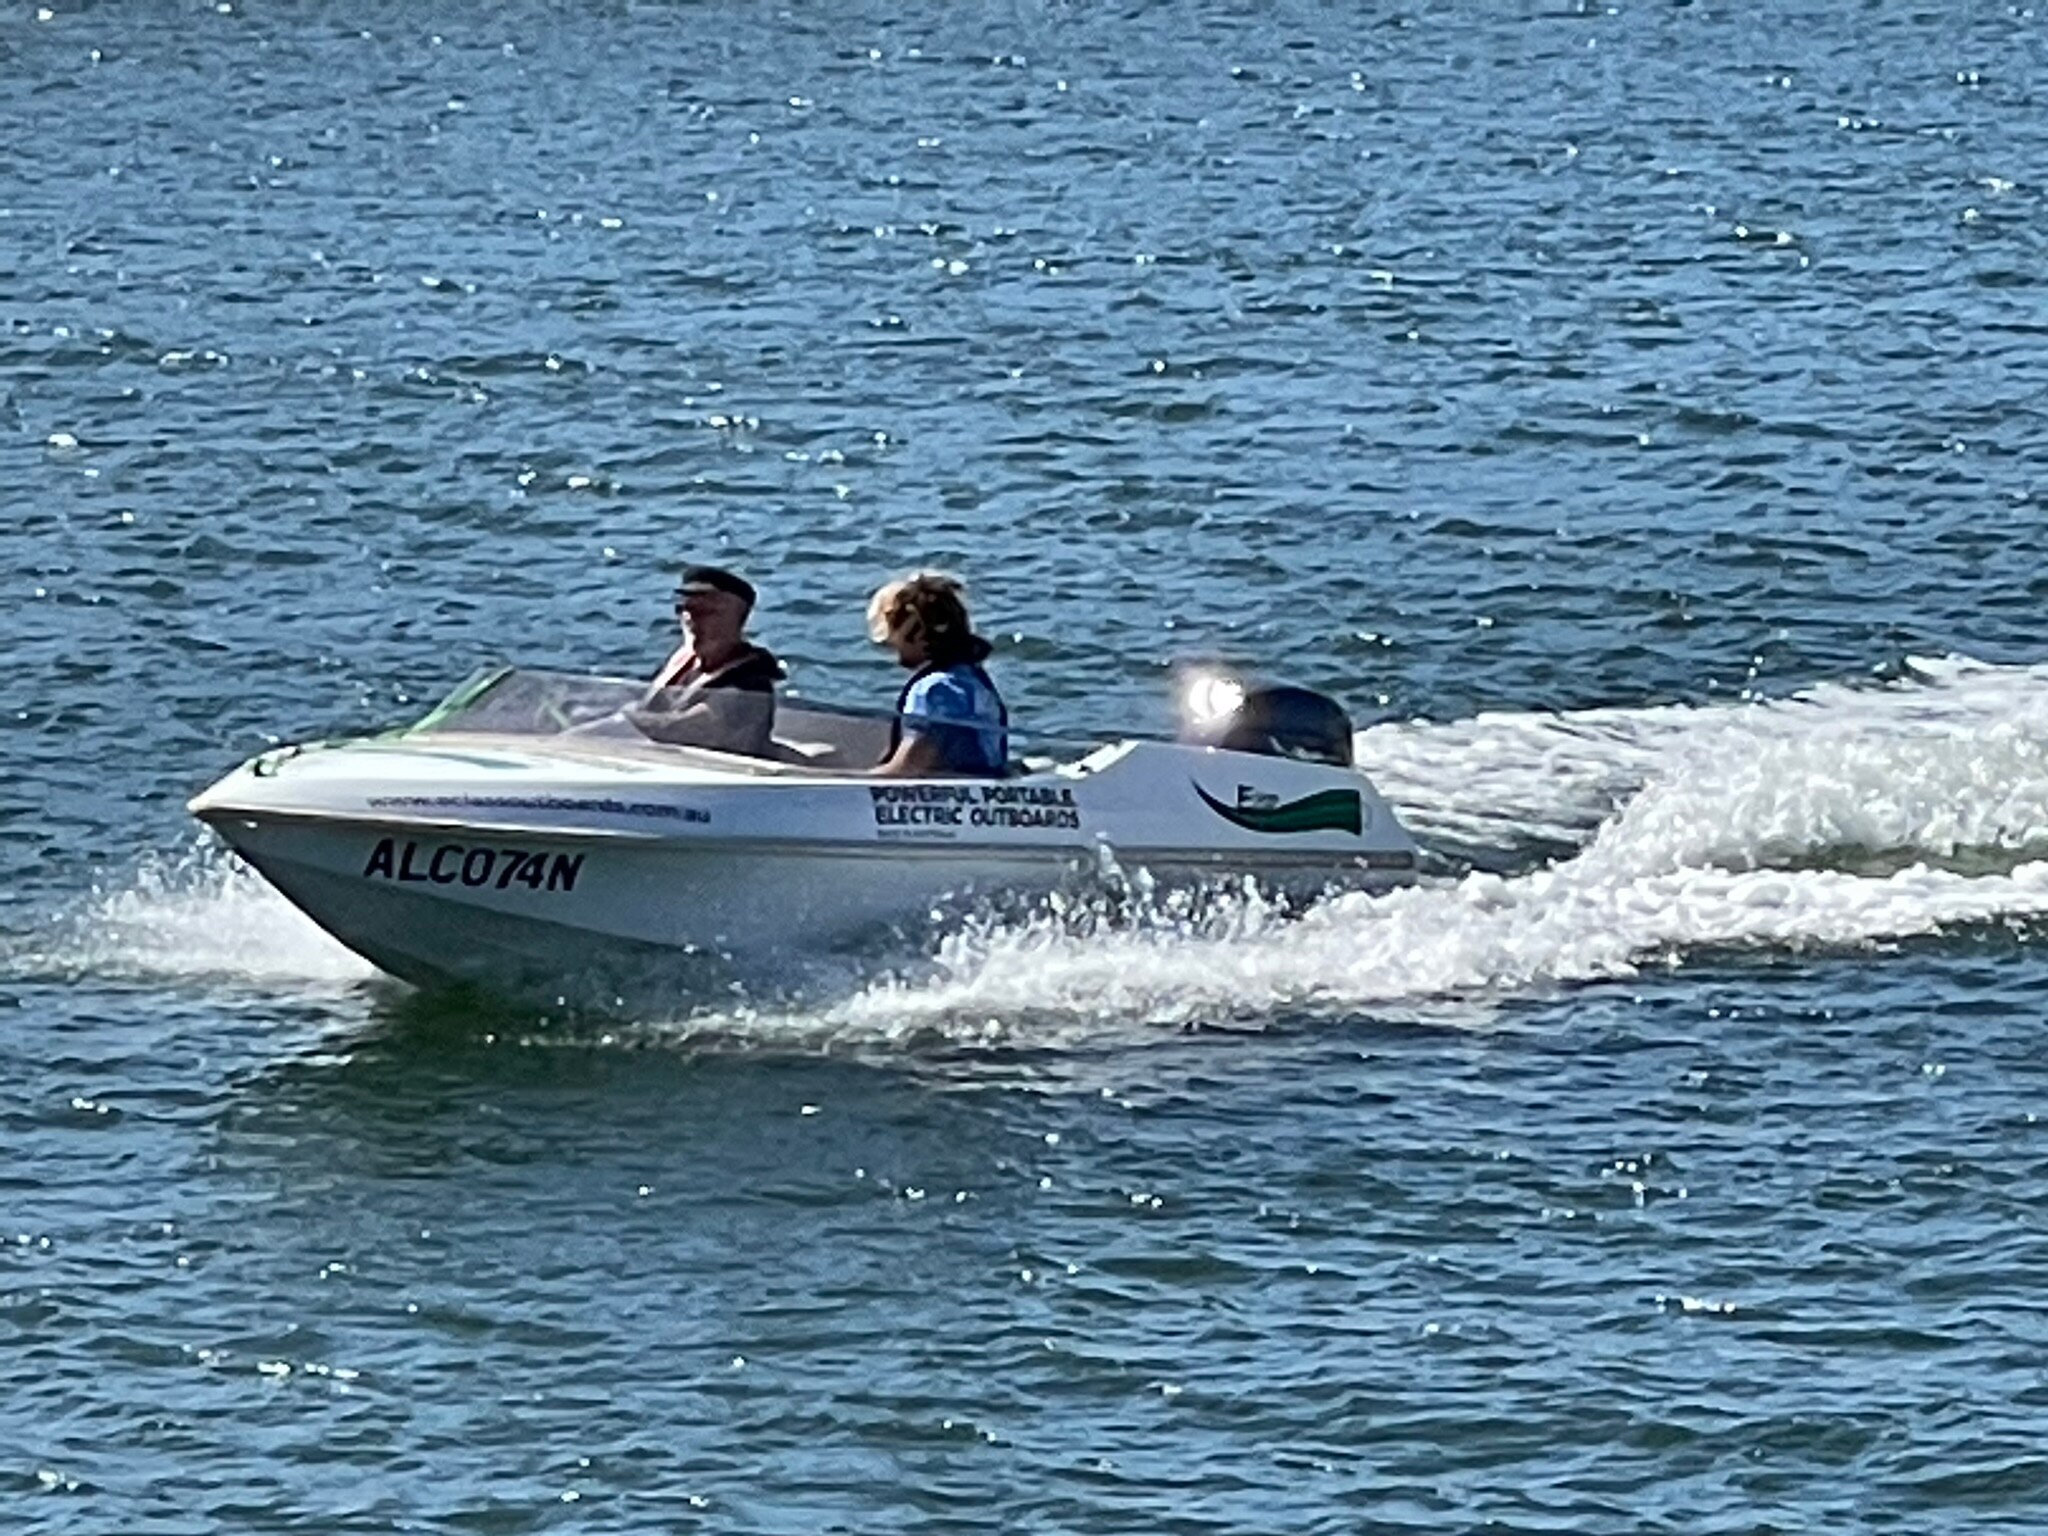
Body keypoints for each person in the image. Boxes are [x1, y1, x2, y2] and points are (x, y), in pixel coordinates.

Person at [629, 564, 783, 755]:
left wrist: (622, 717)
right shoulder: (685, 664)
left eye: (706, 612)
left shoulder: (749, 685)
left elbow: (686, 729)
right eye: (685, 609)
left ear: (737, 620)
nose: (692, 620)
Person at [867, 571, 1008, 777]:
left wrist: (817, 776)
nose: (891, 643)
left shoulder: (935, 690)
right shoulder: (971, 678)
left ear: (918, 634)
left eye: (894, 632)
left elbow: (907, 769)